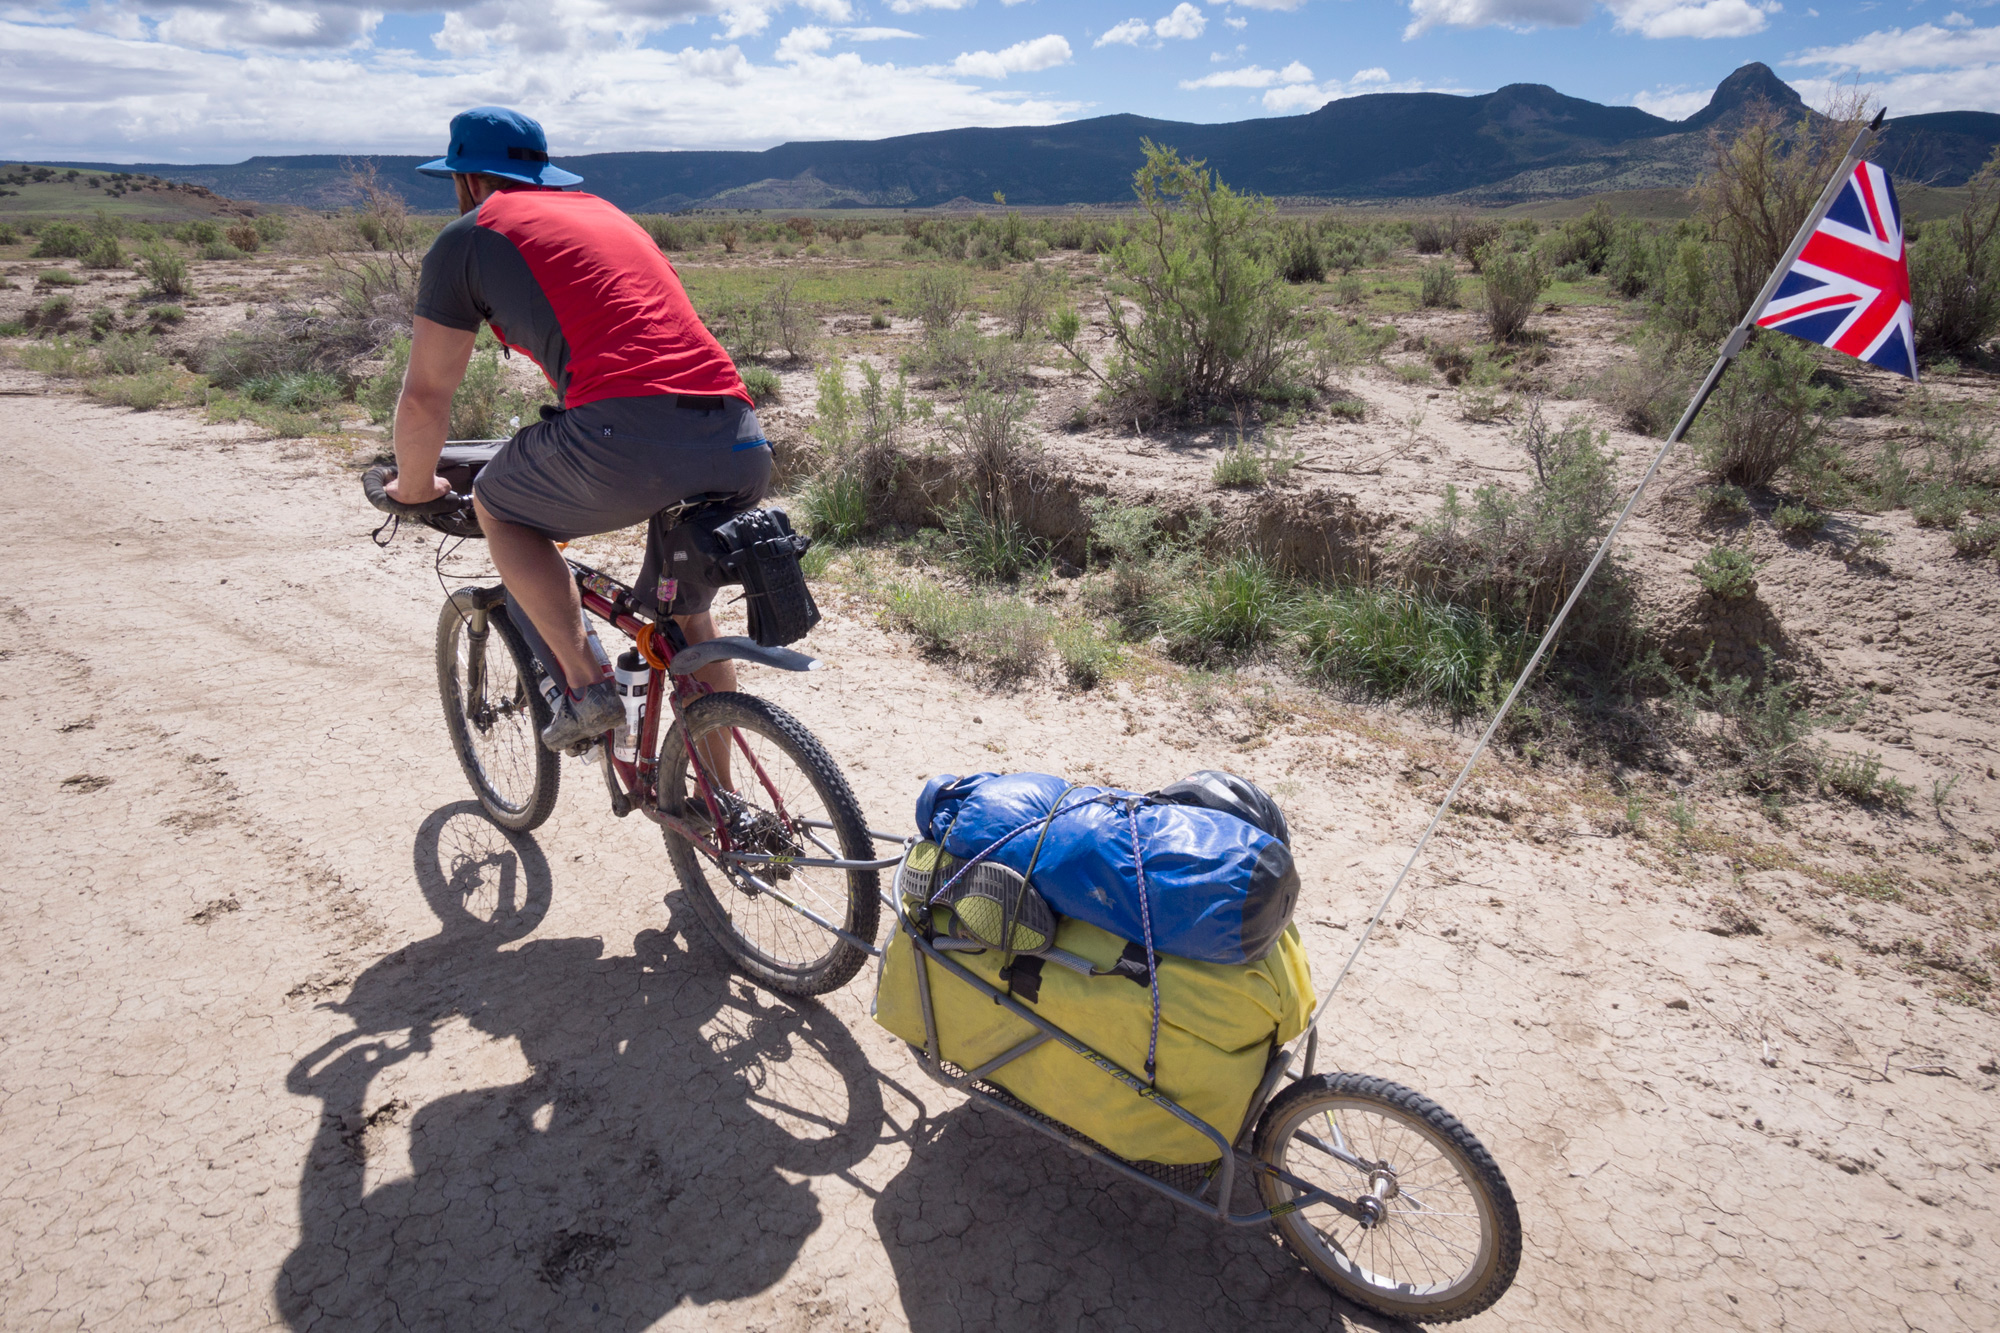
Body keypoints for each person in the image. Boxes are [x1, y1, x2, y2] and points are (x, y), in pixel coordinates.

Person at [382, 106, 770, 751]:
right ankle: (719, 806)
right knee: (686, 613)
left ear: (468, 180)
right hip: (738, 433)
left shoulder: (470, 237)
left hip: (624, 434)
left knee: (499, 503)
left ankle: (586, 688)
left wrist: (415, 488)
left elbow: (425, 396)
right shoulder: (609, 216)